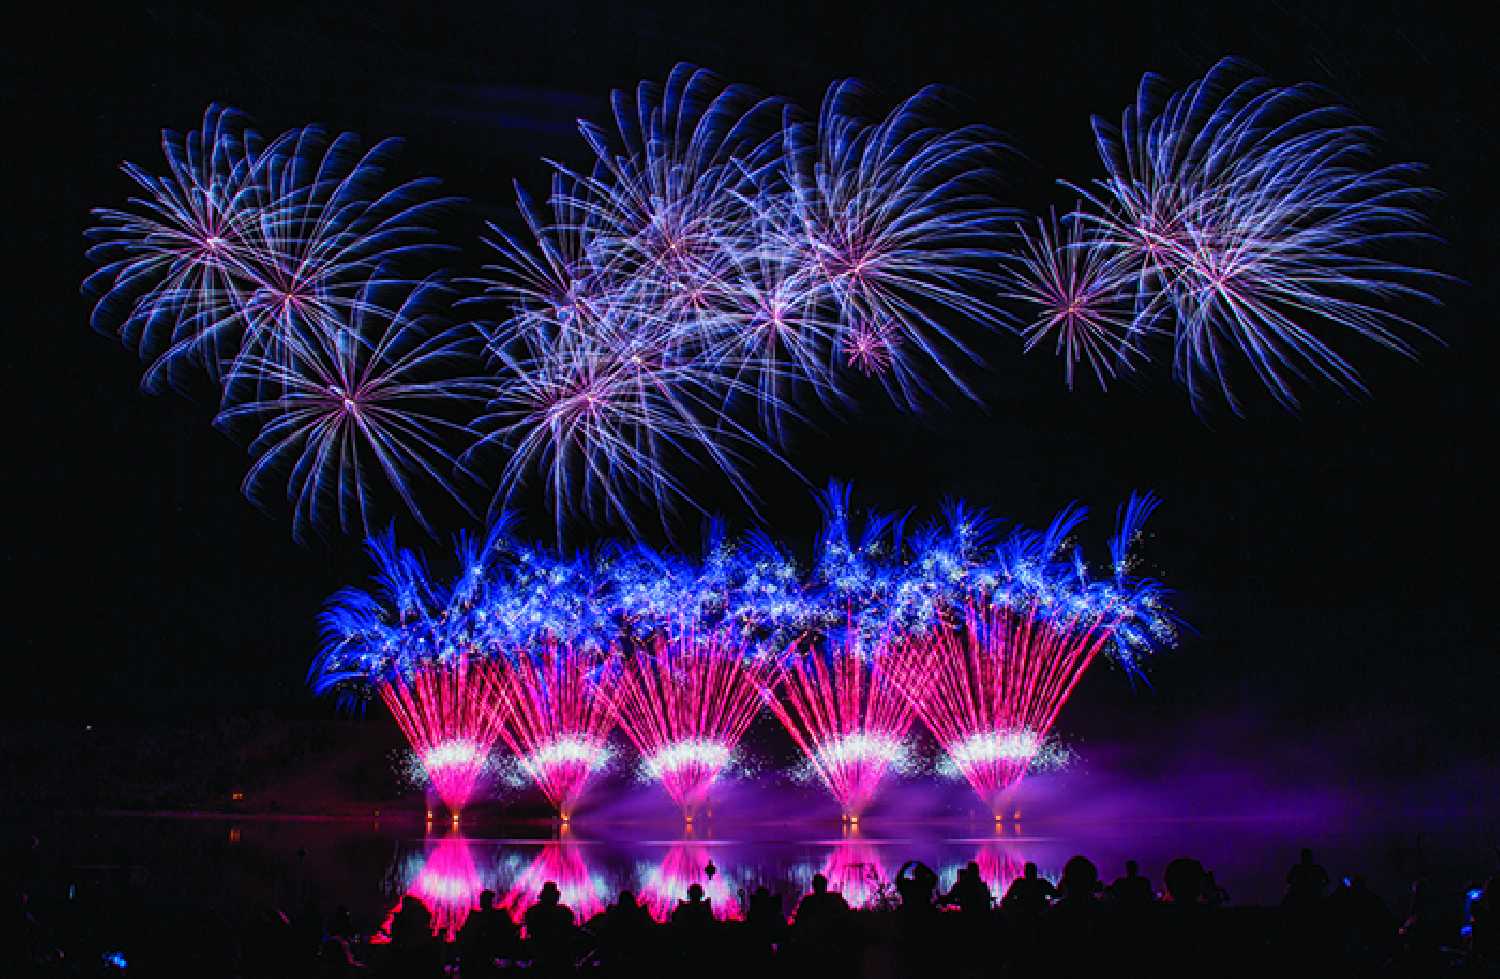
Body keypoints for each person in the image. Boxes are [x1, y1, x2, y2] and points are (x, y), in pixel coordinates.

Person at [458, 889, 519, 978]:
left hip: (487, 952)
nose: (482, 901)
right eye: (482, 899)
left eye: (483, 899)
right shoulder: (495, 915)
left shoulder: (480, 916)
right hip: (483, 952)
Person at [523, 881, 576, 974]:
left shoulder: (533, 911)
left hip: (540, 953)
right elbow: (570, 929)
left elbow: (530, 930)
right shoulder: (564, 911)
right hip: (559, 955)